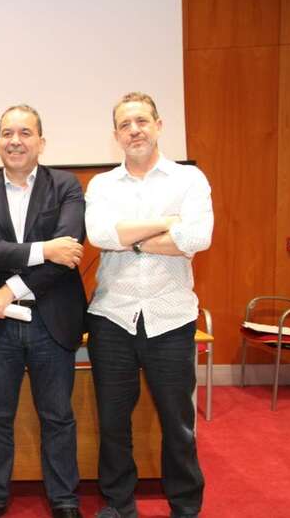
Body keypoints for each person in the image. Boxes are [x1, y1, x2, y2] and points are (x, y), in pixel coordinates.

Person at [85, 92, 212, 518]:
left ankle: (185, 506)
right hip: (112, 318)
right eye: (125, 124)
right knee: (113, 423)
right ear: (116, 135)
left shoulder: (189, 180)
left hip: (171, 318)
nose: (134, 130)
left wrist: (132, 238)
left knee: (178, 423)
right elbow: (101, 236)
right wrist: (167, 224)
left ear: (158, 125)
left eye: (142, 121)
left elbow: (198, 239)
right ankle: (119, 504)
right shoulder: (102, 185)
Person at [0, 105, 87, 518]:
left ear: (41, 142)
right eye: (7, 133)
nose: (15, 140)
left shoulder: (66, 186)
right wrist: (43, 249)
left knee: (57, 416)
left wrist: (12, 287)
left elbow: (67, 255)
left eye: (25, 133)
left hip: (51, 319)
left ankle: (65, 498)